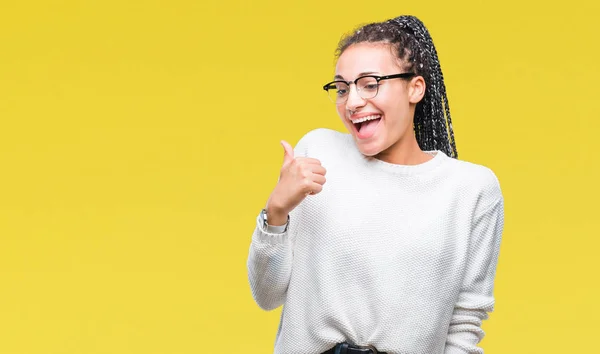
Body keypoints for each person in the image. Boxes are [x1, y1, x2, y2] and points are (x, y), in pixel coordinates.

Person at [246, 14, 504, 354]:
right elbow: (266, 296)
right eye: (341, 88)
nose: (352, 102)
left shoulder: (471, 190)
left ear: (415, 87)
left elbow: (465, 323)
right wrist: (276, 211)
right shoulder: (318, 154)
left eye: (370, 84)